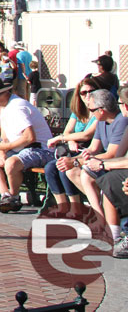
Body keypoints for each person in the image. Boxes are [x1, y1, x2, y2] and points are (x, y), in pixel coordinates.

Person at [0, 75, 54, 213]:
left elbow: (29, 137)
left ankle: (13, 197)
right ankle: (5, 195)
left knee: (11, 163)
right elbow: (4, 135)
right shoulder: (4, 108)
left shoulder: (17, 107)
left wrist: (5, 148)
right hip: (20, 149)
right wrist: (2, 152)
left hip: (39, 149)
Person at [49, 88, 126, 213]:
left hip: (115, 165)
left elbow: (112, 154)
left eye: (91, 110)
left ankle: (102, 214)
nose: (90, 114)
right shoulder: (101, 121)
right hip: (104, 162)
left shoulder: (121, 121)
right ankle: (101, 210)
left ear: (101, 110)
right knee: (69, 171)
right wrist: (74, 159)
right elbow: (93, 148)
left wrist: (76, 162)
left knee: (86, 173)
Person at [93, 86, 128, 258]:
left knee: (111, 179)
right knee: (110, 178)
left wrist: (103, 164)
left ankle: (119, 235)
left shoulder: (122, 120)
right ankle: (113, 235)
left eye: (121, 103)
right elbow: (119, 155)